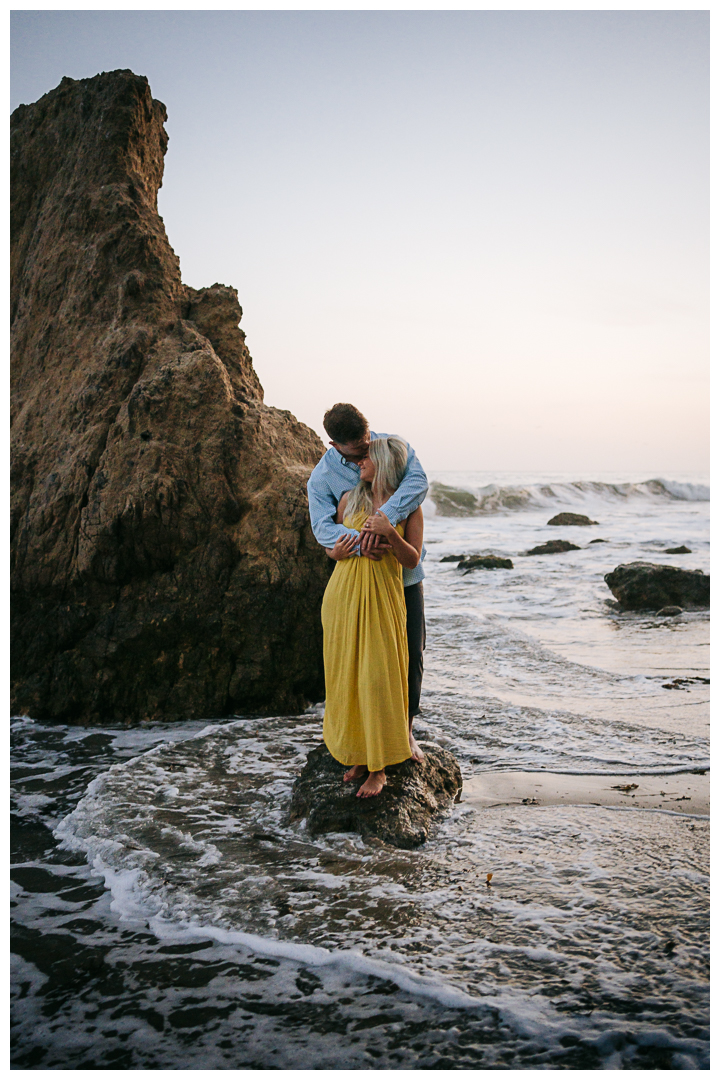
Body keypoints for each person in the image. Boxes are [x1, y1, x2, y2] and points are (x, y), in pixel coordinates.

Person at [307, 403, 428, 757]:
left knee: (410, 653)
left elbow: (418, 484)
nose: (365, 452)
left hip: (402, 579)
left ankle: (405, 732)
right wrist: (364, 542)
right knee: (359, 661)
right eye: (358, 450)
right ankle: (358, 739)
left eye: (366, 441)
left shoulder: (390, 450)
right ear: (335, 446)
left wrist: (384, 522)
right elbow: (323, 528)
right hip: (356, 582)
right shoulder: (323, 479)